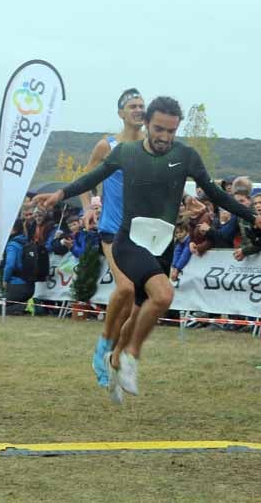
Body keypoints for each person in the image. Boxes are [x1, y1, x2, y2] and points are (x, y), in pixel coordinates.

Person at [33, 96, 261, 402]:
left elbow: (217, 194)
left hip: (160, 244)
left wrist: (256, 217)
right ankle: (130, 358)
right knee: (163, 295)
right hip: (128, 239)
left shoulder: (186, 155)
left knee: (138, 312)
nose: (165, 137)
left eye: (171, 131)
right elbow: (91, 178)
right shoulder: (125, 152)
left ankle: (115, 357)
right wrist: (59, 193)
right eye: (159, 129)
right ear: (147, 125)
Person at [82, 88, 145, 388]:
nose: (138, 110)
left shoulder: (150, 147)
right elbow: (86, 179)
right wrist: (87, 208)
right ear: (121, 113)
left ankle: (115, 353)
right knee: (126, 287)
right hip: (111, 228)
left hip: (141, 231)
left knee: (135, 303)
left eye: (142, 105)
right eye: (132, 106)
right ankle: (104, 343)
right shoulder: (107, 145)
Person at [1, 219, 35, 316]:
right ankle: (29, 305)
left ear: (13, 229)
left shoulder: (12, 245)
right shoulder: (25, 241)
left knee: (0, 309)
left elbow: (10, 265)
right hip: (30, 285)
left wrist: (5, 279)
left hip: (17, 285)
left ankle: (29, 306)